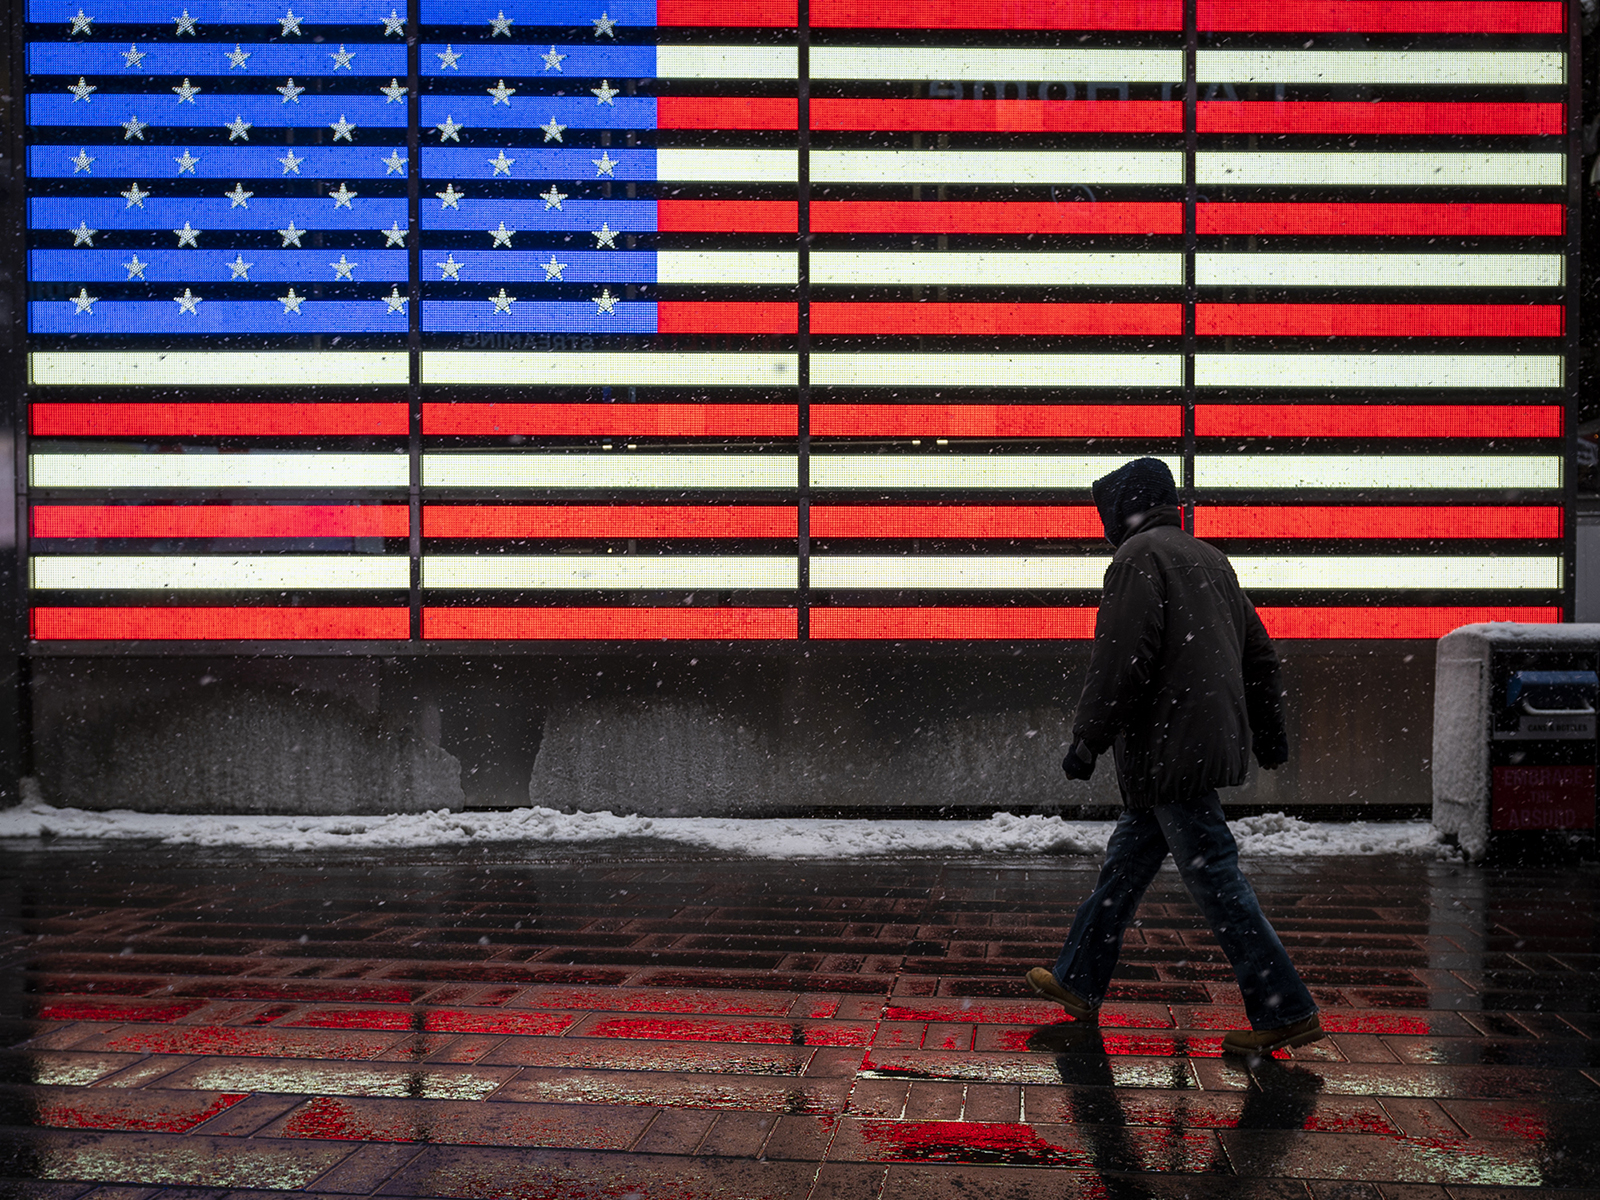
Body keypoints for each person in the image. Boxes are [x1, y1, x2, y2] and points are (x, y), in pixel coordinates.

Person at [1025, 457, 1323, 1056]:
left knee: (1216, 879)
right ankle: (1078, 980)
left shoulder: (1138, 560)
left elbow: (1120, 660)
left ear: (1121, 509)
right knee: (1125, 868)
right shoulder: (1210, 559)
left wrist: (1089, 737)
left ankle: (1285, 1008)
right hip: (1186, 747)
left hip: (1168, 751)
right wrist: (1268, 733)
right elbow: (1259, 656)